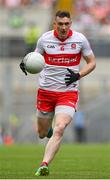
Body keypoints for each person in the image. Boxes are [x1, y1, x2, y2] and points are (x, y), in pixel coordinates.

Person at [20, 10, 96, 176]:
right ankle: (47, 130)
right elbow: (34, 59)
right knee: (41, 134)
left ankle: (44, 164)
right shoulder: (44, 39)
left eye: (66, 24)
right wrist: (25, 63)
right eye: (60, 24)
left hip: (67, 92)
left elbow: (92, 63)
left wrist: (78, 75)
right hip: (46, 92)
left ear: (70, 24)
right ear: (55, 24)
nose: (63, 27)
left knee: (60, 128)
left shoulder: (80, 39)